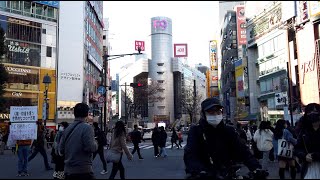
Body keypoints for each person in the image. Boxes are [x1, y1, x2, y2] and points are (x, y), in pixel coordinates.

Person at [184, 97, 264, 179]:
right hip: (205, 173)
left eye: (218, 111)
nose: (215, 115)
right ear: (203, 114)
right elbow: (190, 155)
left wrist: (256, 167)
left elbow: (243, 150)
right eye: (211, 112)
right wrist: (200, 171)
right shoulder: (196, 131)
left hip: (227, 173)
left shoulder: (228, 130)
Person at [58, 103, 98, 180]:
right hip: (83, 170)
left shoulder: (67, 129)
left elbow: (61, 149)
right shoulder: (87, 128)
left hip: (68, 170)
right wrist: (96, 143)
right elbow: (90, 147)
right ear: (86, 114)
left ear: (74, 113)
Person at [295, 103, 320, 179]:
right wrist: (304, 155)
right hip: (308, 168)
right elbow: (297, 148)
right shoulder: (304, 132)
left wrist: (316, 155)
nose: (312, 114)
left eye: (315, 112)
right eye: (310, 112)